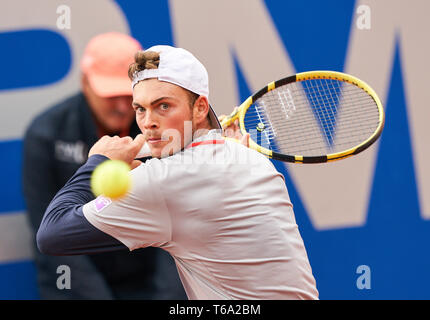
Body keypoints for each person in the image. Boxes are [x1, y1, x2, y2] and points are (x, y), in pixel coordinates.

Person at [36, 45, 319, 299]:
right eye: (140, 109)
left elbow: (52, 234)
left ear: (200, 108)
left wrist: (96, 163)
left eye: (163, 106)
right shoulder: (247, 157)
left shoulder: (163, 181)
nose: (148, 123)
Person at [23, 34, 186, 299]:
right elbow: (49, 236)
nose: (123, 107)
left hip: (149, 284)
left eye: (128, 94)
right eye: (110, 95)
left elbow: (178, 226)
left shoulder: (162, 132)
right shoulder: (46, 133)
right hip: (74, 286)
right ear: (85, 82)